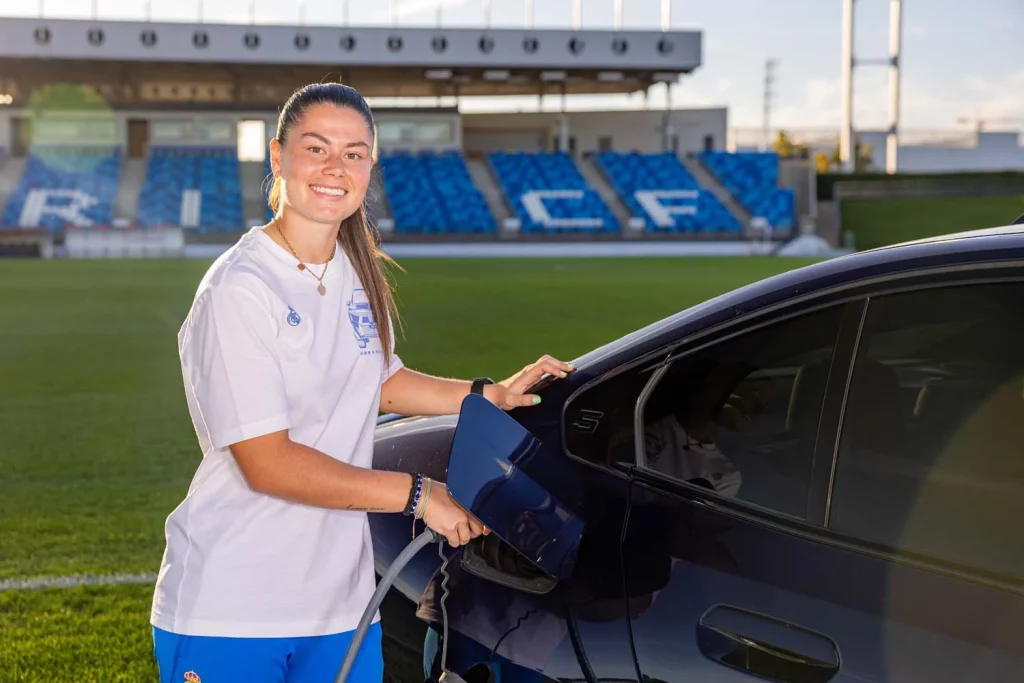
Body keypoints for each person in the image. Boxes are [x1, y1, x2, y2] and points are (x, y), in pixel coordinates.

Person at [149, 82, 574, 683]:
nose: (334, 168)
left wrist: (488, 394)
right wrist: (419, 495)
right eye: (315, 148)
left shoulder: (351, 270)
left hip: (341, 606)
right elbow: (268, 463)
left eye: (353, 153)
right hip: (234, 608)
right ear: (278, 157)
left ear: (370, 165)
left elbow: (383, 382)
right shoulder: (240, 288)